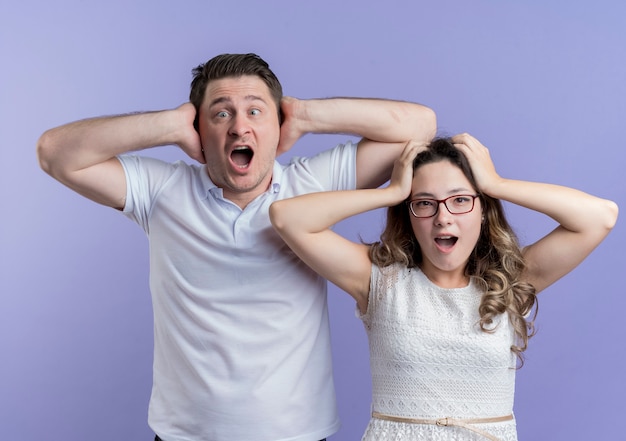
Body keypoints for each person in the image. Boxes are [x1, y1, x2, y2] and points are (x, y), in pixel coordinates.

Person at [36, 53, 436, 441]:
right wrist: (170, 124)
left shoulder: (312, 184)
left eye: (256, 111)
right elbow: (55, 153)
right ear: (200, 131)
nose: (239, 128)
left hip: (296, 434)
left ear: (277, 127)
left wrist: (307, 115)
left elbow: (421, 126)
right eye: (222, 113)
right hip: (184, 436)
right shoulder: (162, 191)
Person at [269, 133, 618, 441]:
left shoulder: (511, 282)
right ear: (408, 213)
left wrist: (497, 184)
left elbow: (600, 216)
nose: (443, 217)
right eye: (424, 202)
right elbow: (287, 217)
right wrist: (391, 192)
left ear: (483, 210)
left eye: (460, 199)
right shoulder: (380, 281)